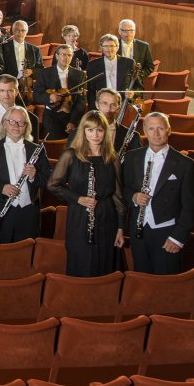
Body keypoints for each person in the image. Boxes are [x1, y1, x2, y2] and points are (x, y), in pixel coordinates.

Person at [49, 111, 125, 276]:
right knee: (81, 261)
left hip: (106, 216)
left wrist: (120, 227)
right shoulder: (71, 155)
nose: (95, 135)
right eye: (90, 130)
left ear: (105, 131)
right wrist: (78, 198)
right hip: (79, 215)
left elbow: (118, 195)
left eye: (99, 130)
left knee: (105, 263)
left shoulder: (112, 158)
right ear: (83, 131)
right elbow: (53, 185)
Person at [123, 112, 194, 275]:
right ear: (144, 131)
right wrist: (134, 197)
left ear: (169, 130)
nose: (156, 133)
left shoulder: (185, 164)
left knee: (165, 283)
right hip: (139, 230)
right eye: (151, 128)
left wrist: (177, 238)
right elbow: (124, 189)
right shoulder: (131, 157)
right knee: (141, 279)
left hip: (167, 233)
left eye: (160, 128)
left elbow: (189, 206)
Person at [0, 106, 49, 243]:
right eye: (12, 122)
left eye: (21, 123)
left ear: (26, 126)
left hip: (28, 214)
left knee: (26, 256)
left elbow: (48, 180)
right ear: (4, 123)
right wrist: (1, 188)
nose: (16, 126)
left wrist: (34, 176)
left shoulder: (37, 150)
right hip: (1, 210)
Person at [34, 44, 87, 140]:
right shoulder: (44, 73)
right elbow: (37, 95)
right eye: (63, 54)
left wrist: (73, 121)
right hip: (52, 116)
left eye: (69, 55)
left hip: (71, 115)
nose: (66, 58)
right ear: (57, 56)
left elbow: (81, 101)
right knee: (56, 143)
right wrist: (49, 97)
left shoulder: (80, 75)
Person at [0, 74, 40, 143]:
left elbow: (33, 148)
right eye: (2, 90)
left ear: (17, 92)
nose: (6, 95)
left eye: (10, 91)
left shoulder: (32, 118)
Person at [87, 33, 137, 106]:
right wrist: (94, 107)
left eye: (111, 46)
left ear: (117, 47)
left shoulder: (129, 63)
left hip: (123, 104)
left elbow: (138, 86)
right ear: (101, 48)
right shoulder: (93, 65)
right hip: (102, 106)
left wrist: (132, 94)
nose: (109, 49)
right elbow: (90, 90)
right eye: (106, 46)